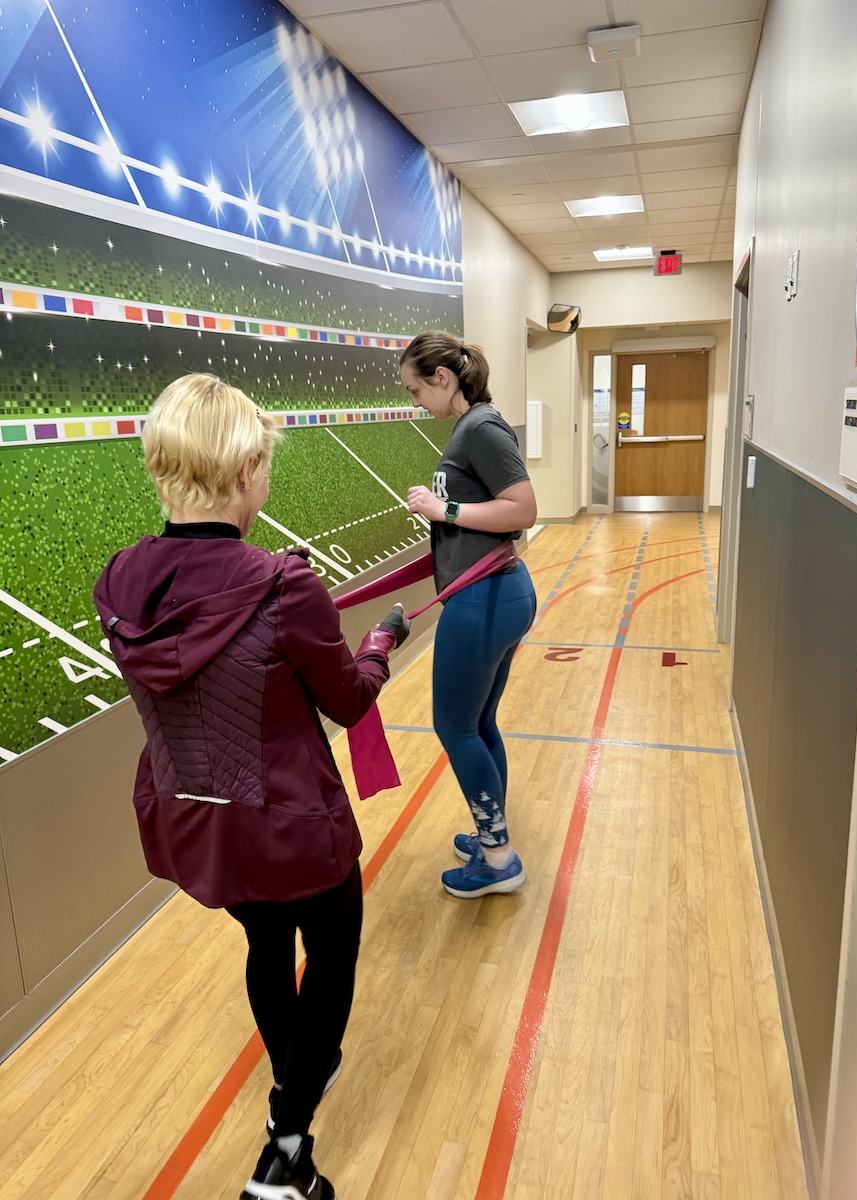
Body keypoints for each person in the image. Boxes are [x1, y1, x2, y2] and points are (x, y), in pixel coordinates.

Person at [93, 373, 409, 1200]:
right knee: (330, 954)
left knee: (265, 947)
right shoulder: (283, 584)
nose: (266, 482)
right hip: (295, 831)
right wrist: (377, 644)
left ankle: (292, 1085)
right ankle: (288, 1142)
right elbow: (347, 698)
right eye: (264, 467)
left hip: (196, 823)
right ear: (241, 476)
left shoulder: (118, 583)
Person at [401, 332, 537, 899]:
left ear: (442, 378)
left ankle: (499, 859)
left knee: (453, 726)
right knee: (477, 724)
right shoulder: (469, 427)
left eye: (415, 389)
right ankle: (491, 839)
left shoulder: (481, 427)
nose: (415, 402)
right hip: (492, 594)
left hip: (485, 598)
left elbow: (523, 508)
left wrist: (443, 507)